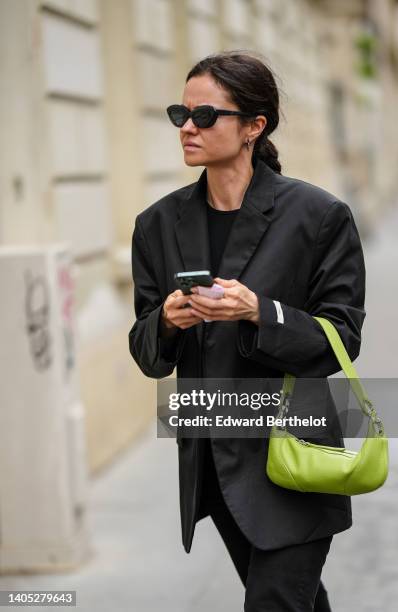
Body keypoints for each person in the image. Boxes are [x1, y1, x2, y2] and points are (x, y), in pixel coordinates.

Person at [128, 51, 366, 611]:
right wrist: (164, 321)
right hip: (214, 460)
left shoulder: (318, 217)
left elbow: (341, 338)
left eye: (205, 116)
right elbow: (146, 352)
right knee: (295, 601)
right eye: (179, 115)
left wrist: (262, 311)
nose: (187, 128)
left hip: (296, 455)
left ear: (254, 127)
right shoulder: (157, 224)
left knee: (274, 603)